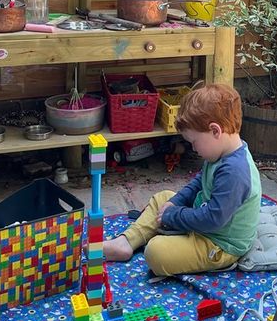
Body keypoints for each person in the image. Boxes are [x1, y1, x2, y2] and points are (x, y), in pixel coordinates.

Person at [103, 83, 262, 276]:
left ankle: (155, 236)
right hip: (205, 222)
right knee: (164, 197)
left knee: (156, 251)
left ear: (215, 131)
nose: (193, 149)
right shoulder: (219, 154)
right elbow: (198, 183)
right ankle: (126, 242)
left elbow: (213, 219)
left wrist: (174, 216)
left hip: (219, 244)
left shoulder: (235, 172)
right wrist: (174, 203)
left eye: (194, 142)